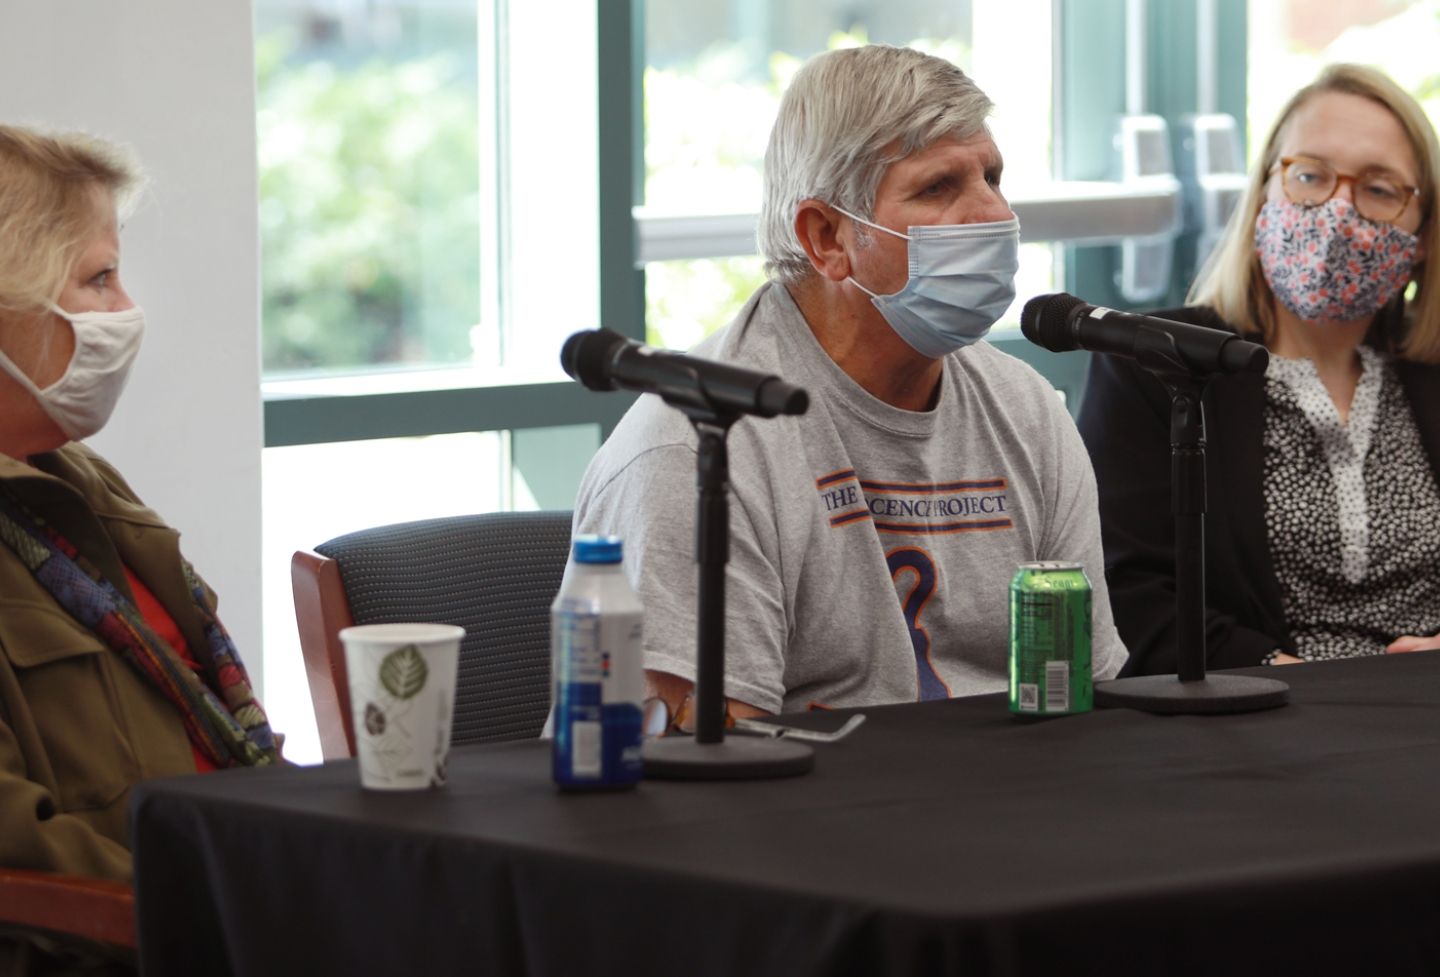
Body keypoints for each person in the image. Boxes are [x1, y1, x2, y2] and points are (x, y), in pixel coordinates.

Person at [574, 45, 1127, 724]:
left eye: (993, 175)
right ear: (827, 235)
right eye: (938, 187)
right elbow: (704, 767)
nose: (992, 213)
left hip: (1011, 808)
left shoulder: (1027, 411)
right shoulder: (694, 446)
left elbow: (1090, 698)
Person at [0, 125, 278, 970]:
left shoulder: (79, 480)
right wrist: (242, 911)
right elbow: (24, 854)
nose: (126, 313)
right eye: (99, 277)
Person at [1078, 64, 1440, 675]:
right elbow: (1123, 591)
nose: (1337, 211)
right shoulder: (1152, 362)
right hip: (1248, 724)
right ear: (1266, 191)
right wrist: (1277, 673)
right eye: (1309, 176)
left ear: (1423, 235)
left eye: (1380, 190)